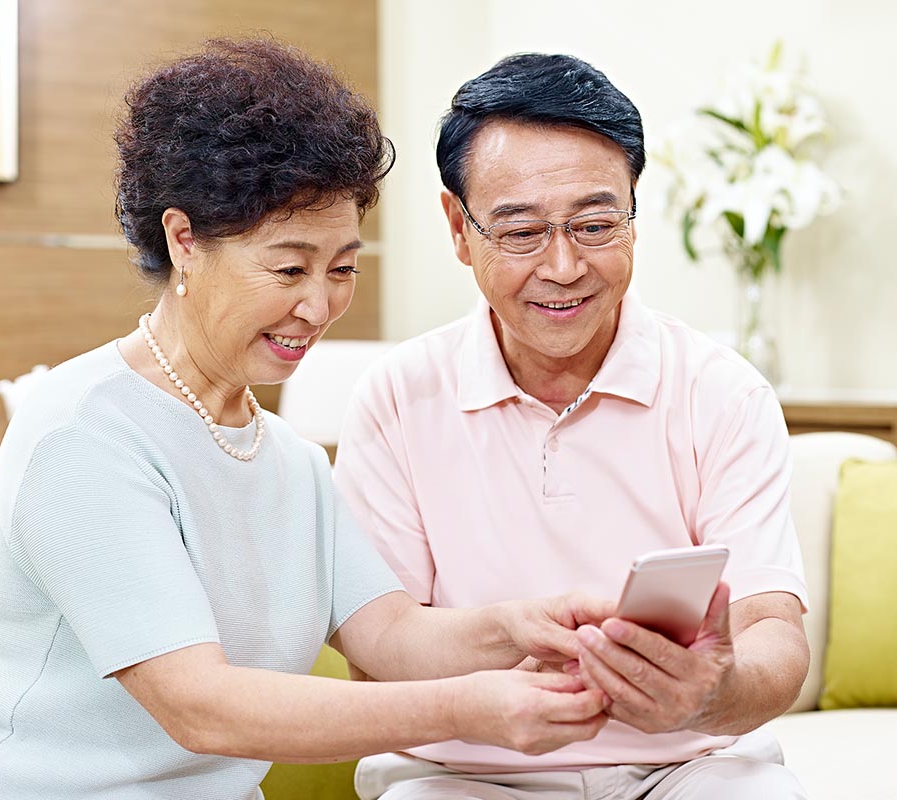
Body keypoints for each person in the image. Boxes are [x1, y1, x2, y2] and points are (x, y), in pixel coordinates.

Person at [0, 40, 624, 800]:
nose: (318, 307)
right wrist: (469, 711)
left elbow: (392, 634)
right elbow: (199, 705)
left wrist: (525, 628)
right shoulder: (82, 433)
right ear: (184, 240)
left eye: (342, 268)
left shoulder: (288, 458)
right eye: (288, 269)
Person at [334, 53, 811, 799]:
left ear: (632, 213)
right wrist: (512, 639)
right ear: (459, 228)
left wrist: (710, 692)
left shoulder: (722, 392)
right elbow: (377, 652)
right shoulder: (395, 398)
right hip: (462, 775)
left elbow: (774, 630)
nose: (563, 267)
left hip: (688, 770)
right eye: (521, 233)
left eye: (594, 224)